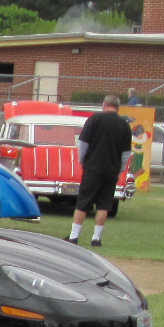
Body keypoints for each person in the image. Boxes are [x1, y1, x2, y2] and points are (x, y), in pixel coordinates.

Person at [67, 94, 134, 247]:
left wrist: (82, 160)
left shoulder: (94, 119)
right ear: (118, 107)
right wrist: (120, 169)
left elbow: (83, 143)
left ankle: (74, 236)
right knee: (104, 205)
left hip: (92, 167)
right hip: (111, 170)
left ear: (104, 104)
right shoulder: (124, 125)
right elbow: (126, 153)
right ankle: (96, 239)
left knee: (83, 202)